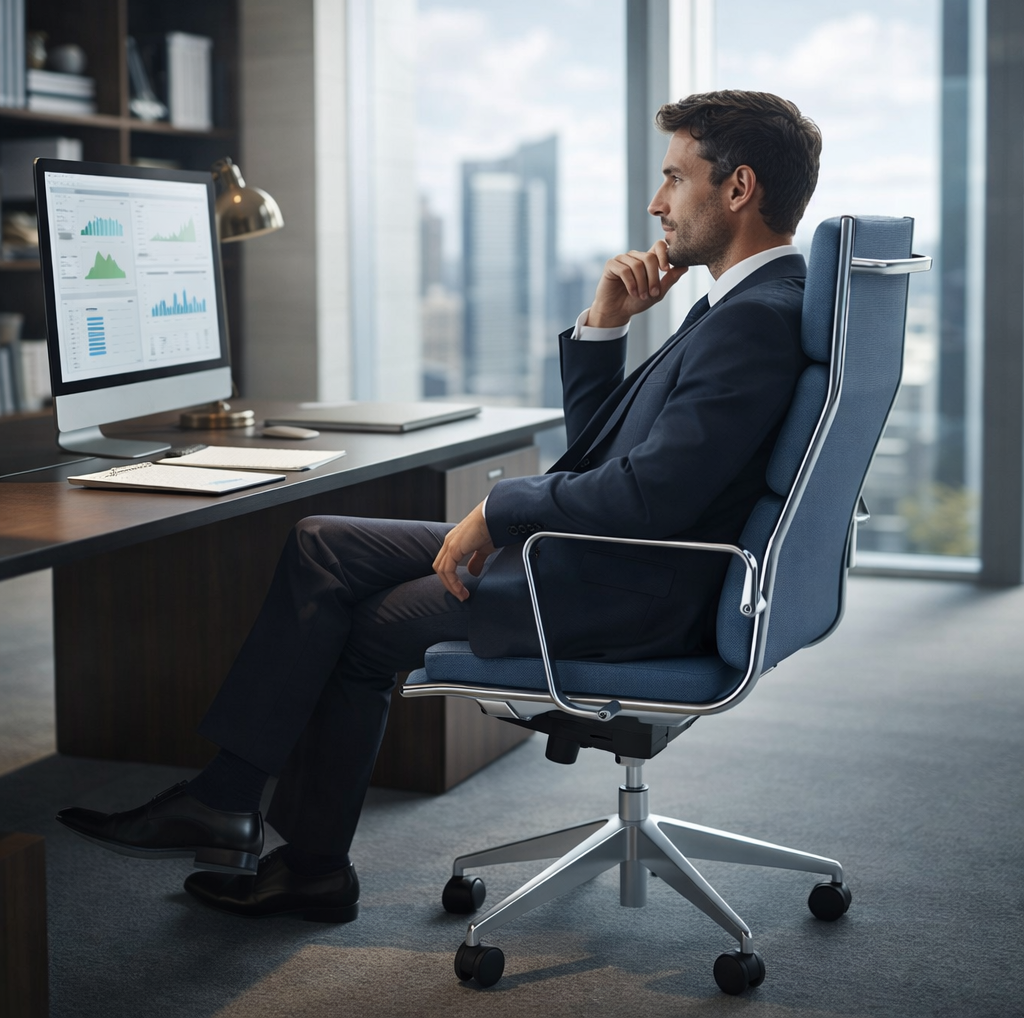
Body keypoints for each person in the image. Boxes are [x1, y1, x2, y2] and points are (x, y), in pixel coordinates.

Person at [57, 89, 822, 924]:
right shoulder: (745, 303)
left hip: (626, 590)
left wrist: (497, 514)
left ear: (738, 188)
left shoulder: (755, 319)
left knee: (365, 628)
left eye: (675, 177)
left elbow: (647, 496)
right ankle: (227, 798)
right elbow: (612, 456)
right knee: (322, 544)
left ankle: (304, 862)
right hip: (618, 564)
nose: (656, 201)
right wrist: (604, 327)